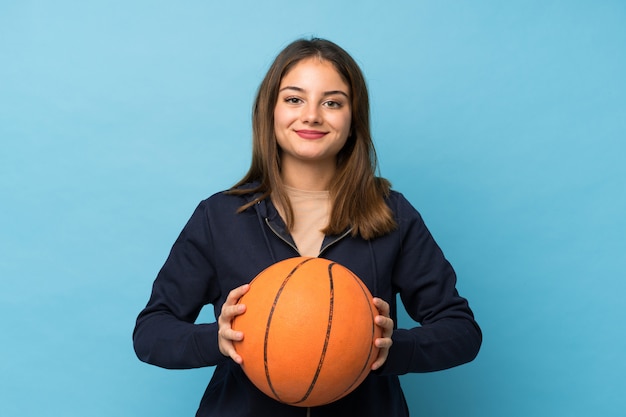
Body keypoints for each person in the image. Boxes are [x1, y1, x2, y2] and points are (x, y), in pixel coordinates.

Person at [133, 38, 481, 417]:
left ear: (353, 119)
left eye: (332, 102)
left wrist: (390, 347)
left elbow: (461, 331)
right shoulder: (219, 216)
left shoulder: (392, 215)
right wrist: (218, 340)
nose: (312, 115)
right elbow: (151, 333)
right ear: (270, 111)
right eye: (294, 99)